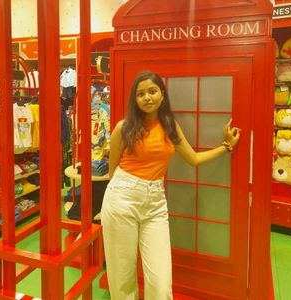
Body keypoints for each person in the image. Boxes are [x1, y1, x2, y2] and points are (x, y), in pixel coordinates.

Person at [101, 70, 241, 300]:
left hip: (155, 202)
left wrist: (226, 146)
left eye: (152, 91)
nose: (147, 97)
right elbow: (112, 168)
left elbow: (193, 159)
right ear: (134, 99)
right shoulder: (123, 128)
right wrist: (110, 202)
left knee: (160, 281)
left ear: (162, 95)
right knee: (122, 277)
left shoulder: (170, 127)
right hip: (122, 197)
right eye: (140, 94)